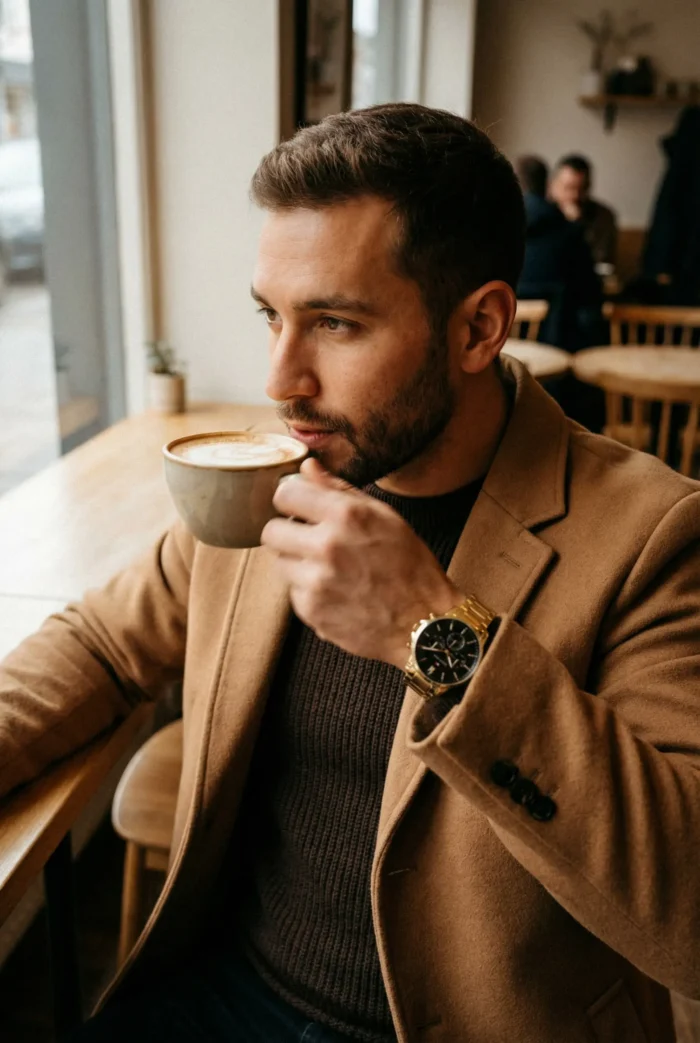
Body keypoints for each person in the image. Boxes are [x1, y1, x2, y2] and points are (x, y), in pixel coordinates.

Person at [1, 104, 700, 1043]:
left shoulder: (654, 533)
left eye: (334, 322)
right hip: (227, 994)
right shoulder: (267, 481)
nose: (281, 379)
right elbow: (99, 643)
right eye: (271, 317)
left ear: (479, 328)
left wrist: (434, 630)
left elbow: (687, 906)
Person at [515, 154, 601, 349]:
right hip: (557, 343)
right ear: (549, 186)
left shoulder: (499, 229)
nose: (574, 196)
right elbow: (591, 289)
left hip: (502, 340)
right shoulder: (569, 232)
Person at [549, 153, 618, 267]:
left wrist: (577, 225)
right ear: (553, 186)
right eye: (568, 188)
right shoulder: (540, 214)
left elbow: (600, 258)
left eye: (582, 189)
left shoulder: (603, 216)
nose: (575, 195)